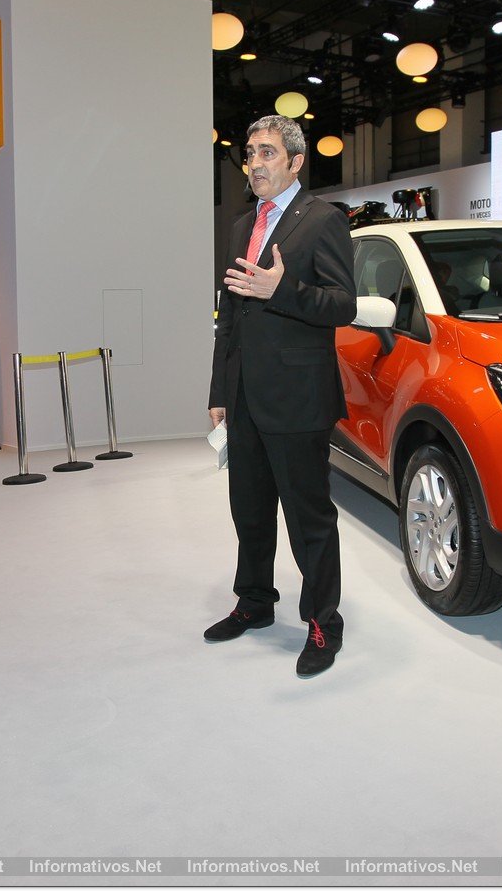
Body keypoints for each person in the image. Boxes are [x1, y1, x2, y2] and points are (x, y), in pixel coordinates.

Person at [205, 114, 357, 678]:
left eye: (267, 153)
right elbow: (230, 315)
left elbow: (343, 304)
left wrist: (283, 289)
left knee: (307, 517)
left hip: (297, 398)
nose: (255, 163)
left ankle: (323, 623)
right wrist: (220, 388)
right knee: (248, 509)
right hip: (244, 395)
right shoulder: (243, 222)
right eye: (249, 153)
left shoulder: (324, 221)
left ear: (295, 162)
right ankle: (254, 601)